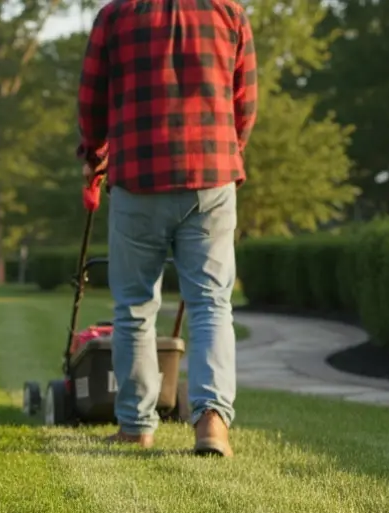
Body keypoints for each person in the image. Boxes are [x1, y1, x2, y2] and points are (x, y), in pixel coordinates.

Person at [76, 0, 257, 458]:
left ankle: (136, 424)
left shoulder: (116, 15)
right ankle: (212, 423)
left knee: (135, 306)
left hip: (139, 177)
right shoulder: (229, 12)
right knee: (211, 303)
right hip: (211, 177)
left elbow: (91, 99)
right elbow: (245, 101)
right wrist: (228, 152)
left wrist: (95, 154)